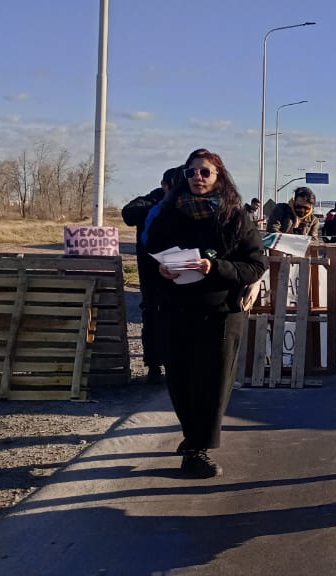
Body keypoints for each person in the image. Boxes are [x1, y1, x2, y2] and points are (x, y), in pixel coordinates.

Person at [145, 149, 268, 478]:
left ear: (219, 177)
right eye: (191, 172)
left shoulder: (235, 216)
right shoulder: (169, 212)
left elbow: (256, 264)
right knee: (181, 382)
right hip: (176, 309)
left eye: (205, 172)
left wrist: (216, 267)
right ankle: (192, 436)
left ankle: (199, 449)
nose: (197, 178)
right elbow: (149, 252)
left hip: (220, 314)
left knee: (212, 385)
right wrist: (162, 271)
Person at [121, 167, 180, 384]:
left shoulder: (188, 203)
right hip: (151, 274)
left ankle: (174, 364)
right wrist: (159, 206)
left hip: (179, 274)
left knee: (178, 319)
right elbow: (128, 214)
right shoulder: (152, 199)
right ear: (164, 185)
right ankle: (154, 366)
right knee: (153, 316)